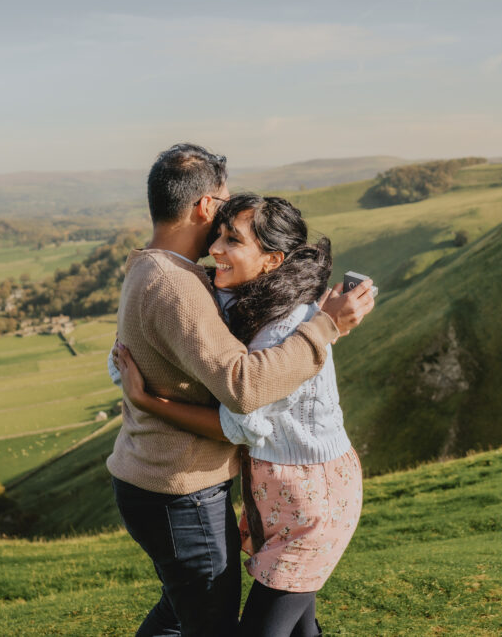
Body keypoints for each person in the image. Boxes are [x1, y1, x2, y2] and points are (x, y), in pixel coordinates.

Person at [107, 144, 374, 637]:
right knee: (206, 622)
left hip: (178, 480)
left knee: (185, 611)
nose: (219, 239)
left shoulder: (163, 271)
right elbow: (245, 388)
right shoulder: (177, 285)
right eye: (224, 209)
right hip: (179, 485)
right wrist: (327, 328)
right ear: (206, 206)